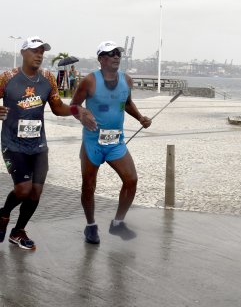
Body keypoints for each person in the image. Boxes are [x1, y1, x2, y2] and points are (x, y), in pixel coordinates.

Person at [0, 36, 97, 250]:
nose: (39, 55)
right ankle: (3, 215)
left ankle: (18, 232)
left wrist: (75, 110)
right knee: (23, 189)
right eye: (35, 50)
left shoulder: (47, 79)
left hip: (38, 146)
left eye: (42, 51)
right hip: (12, 144)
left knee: (36, 192)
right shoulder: (7, 77)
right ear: (24, 52)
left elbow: (57, 107)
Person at [71, 41, 152, 244]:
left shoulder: (127, 80)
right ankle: (90, 225)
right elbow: (73, 106)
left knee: (131, 180)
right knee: (88, 186)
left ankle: (118, 224)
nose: (116, 56)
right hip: (93, 142)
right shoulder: (89, 81)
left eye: (118, 53)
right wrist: (83, 116)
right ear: (101, 59)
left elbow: (127, 103)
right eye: (111, 53)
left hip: (116, 142)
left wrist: (140, 117)